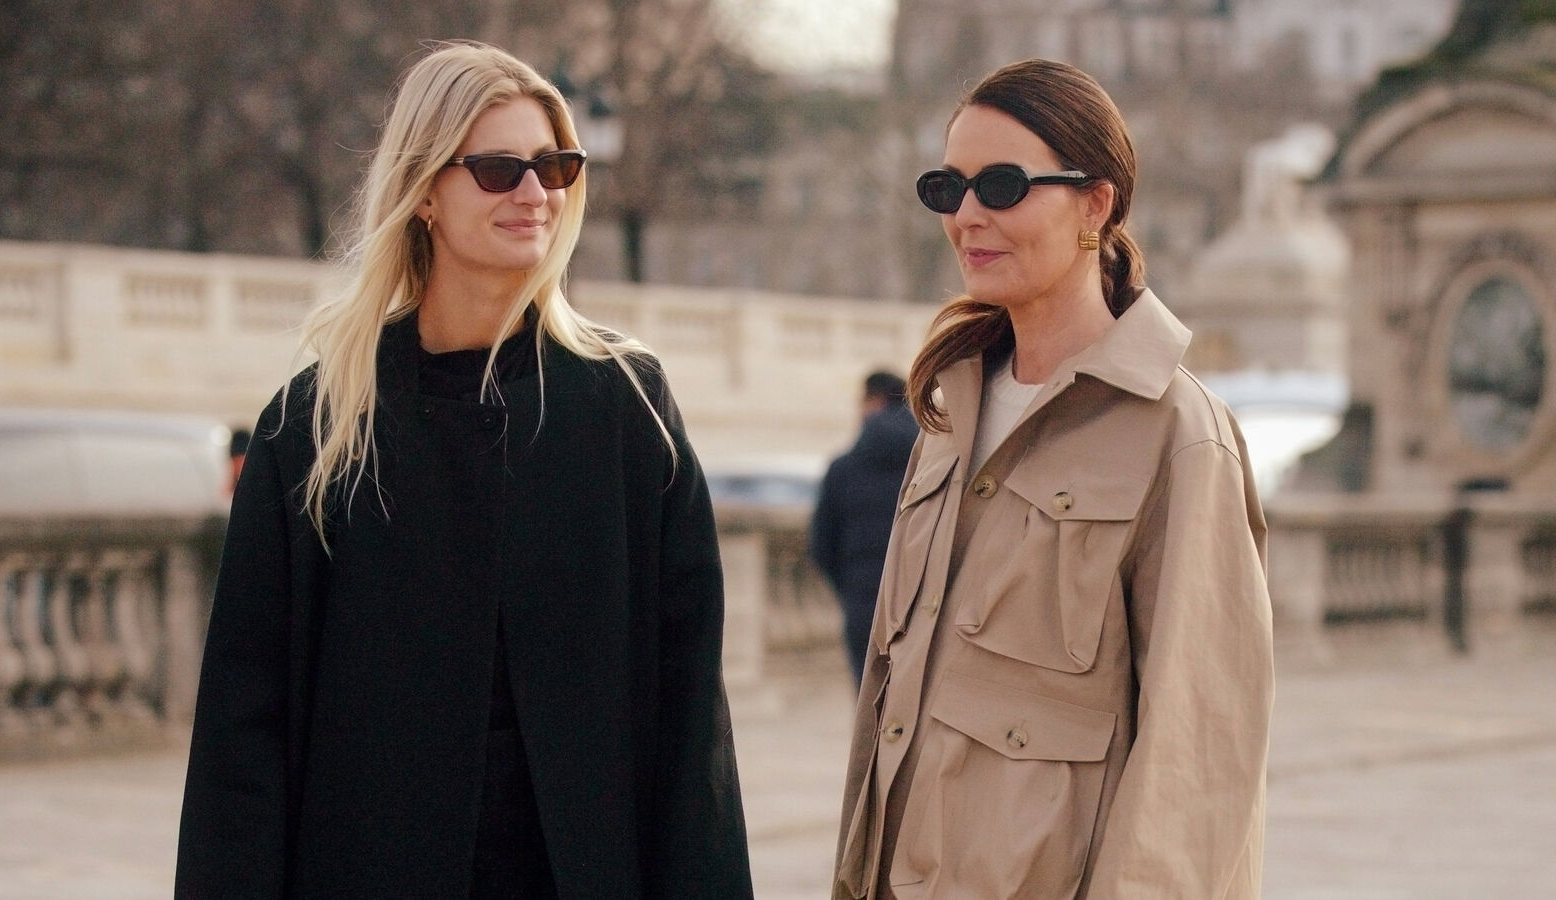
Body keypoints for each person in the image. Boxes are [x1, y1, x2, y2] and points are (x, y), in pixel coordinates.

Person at [176, 42, 753, 898]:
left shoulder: (627, 408)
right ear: (424, 195)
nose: (535, 194)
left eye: (555, 166)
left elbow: (689, 720)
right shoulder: (316, 424)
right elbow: (244, 728)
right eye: (498, 169)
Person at [832, 59, 1273, 900]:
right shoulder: (944, 420)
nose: (967, 217)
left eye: (1002, 185)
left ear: (1096, 204)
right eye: (946, 187)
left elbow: (1200, 760)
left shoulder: (1179, 437)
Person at [809, 371, 919, 687]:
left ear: (874, 401)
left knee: (869, 706)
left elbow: (820, 546)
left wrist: (852, 588)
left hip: (863, 603)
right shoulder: (932, 462)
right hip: (922, 604)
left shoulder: (843, 468)